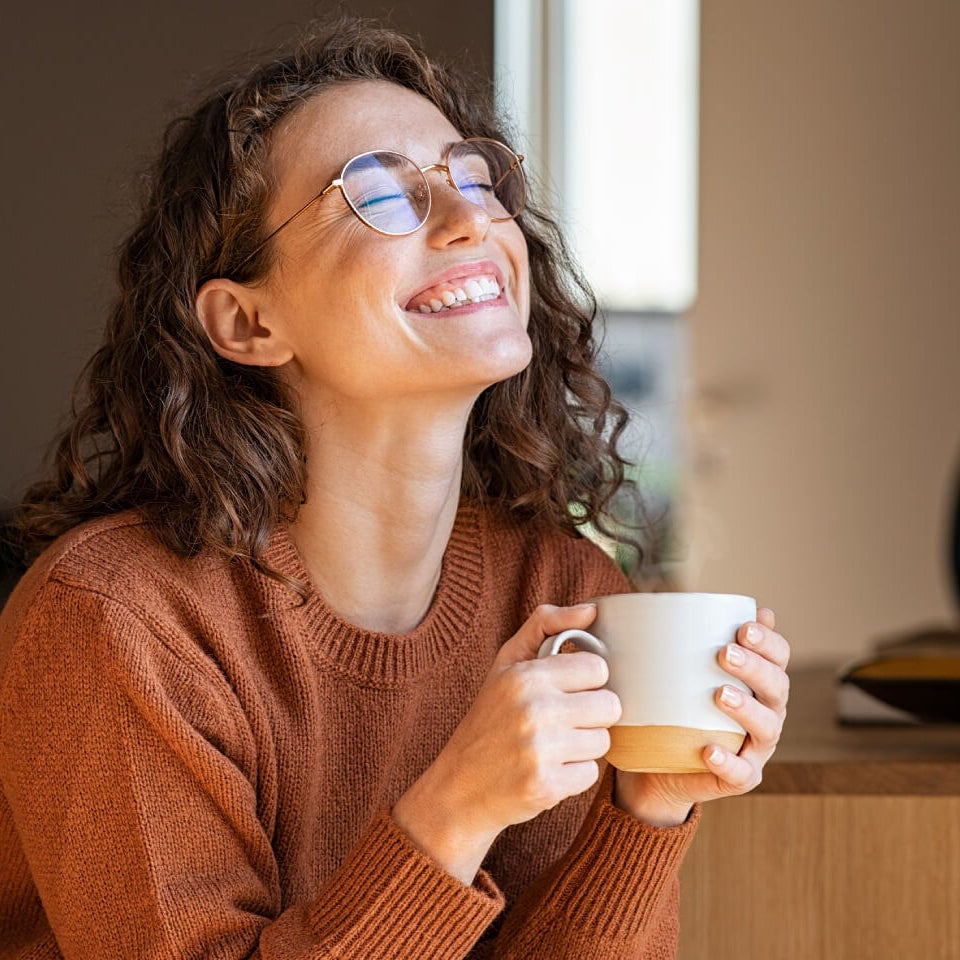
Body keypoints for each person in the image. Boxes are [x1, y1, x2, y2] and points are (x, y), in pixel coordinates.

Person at [0, 19, 790, 959]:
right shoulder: (120, 622)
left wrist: (645, 811)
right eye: (378, 193)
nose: (469, 219)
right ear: (247, 323)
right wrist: (457, 809)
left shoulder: (562, 593)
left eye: (474, 178)